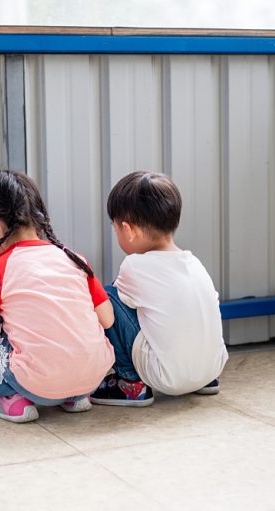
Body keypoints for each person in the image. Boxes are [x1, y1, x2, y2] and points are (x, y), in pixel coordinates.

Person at [0, 170, 115, 423]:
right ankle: (74, 397)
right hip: (92, 378)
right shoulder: (74, 259)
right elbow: (107, 319)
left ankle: (8, 397)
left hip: (36, 383)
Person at [90, 171, 229, 407]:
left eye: (116, 229)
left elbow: (115, 315)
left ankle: (130, 383)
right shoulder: (194, 263)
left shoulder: (134, 266)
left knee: (107, 297)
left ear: (129, 230)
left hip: (166, 377)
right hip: (212, 368)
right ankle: (203, 380)